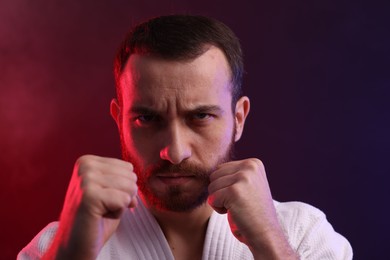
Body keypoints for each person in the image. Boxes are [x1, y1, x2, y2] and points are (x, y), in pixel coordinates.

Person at [18, 15, 352, 260]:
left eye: (200, 117)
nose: (174, 152)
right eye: (147, 118)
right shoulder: (56, 247)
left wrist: (268, 242)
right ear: (119, 120)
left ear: (238, 119)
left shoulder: (303, 235)